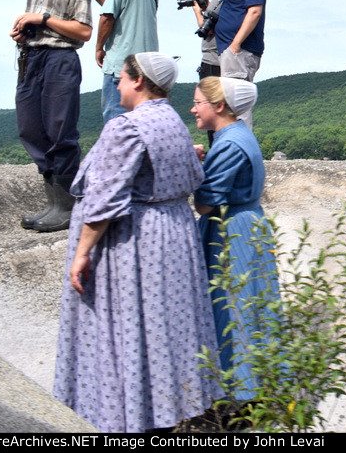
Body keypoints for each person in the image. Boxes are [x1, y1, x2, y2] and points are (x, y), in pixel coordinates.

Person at [53, 53, 220, 432]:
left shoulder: (126, 126)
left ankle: (125, 417)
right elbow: (191, 176)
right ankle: (160, 410)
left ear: (139, 82)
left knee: (123, 329)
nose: (116, 85)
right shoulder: (173, 121)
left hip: (135, 242)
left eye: (121, 79)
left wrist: (81, 253)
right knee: (159, 330)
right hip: (173, 236)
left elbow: (104, 201)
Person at [191, 76, 278, 400]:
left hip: (234, 233)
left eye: (198, 102)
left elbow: (204, 204)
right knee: (253, 307)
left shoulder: (227, 144)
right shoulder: (239, 135)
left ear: (219, 106)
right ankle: (256, 387)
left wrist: (189, 166)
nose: (193, 109)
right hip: (248, 224)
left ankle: (240, 396)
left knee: (233, 309)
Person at [11, 0, 93, 233]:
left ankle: (67, 206)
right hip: (31, 58)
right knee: (30, 129)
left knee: (61, 131)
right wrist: (23, 31)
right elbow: (39, 25)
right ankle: (53, 203)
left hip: (60, 60)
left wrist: (42, 19)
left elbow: (83, 31)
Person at [91, 0, 159, 122]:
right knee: (140, 124)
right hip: (145, 68)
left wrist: (99, 48)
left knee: (117, 123)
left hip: (121, 68)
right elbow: (115, 4)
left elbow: (107, 16)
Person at [216, 0, 266, 128]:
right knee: (232, 102)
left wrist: (235, 44)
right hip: (234, 51)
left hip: (239, 51)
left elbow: (254, 11)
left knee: (236, 103)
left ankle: (240, 151)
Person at [195, 0, 232, 80]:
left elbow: (206, 29)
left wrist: (197, 11)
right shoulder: (230, 1)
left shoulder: (216, 2)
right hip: (225, 62)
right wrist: (208, 9)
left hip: (211, 61)